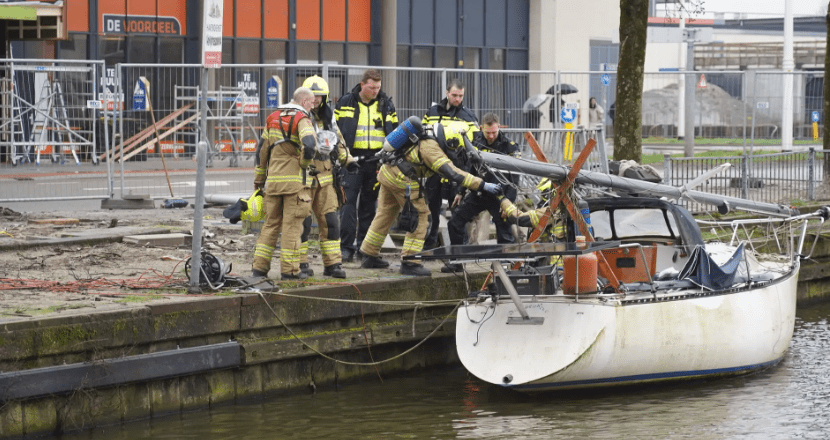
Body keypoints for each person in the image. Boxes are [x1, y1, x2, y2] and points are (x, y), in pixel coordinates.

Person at [359, 120, 501, 276]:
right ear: (450, 140)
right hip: (402, 178)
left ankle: (369, 254)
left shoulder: (428, 134)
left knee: (385, 214)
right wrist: (481, 184)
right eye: (455, 147)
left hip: (388, 173)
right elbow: (452, 172)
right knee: (420, 217)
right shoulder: (432, 148)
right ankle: (410, 261)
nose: (455, 151)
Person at [296, 75, 358, 279]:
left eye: (320, 97)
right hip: (303, 177)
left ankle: (333, 265)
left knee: (331, 222)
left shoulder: (327, 119)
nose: (316, 101)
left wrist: (348, 160)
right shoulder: (297, 116)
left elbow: (338, 141)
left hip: (325, 177)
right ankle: (301, 264)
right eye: (313, 97)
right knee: (303, 224)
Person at [252, 87, 317, 280]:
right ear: (304, 102)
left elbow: (262, 151)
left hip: (273, 183)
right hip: (295, 184)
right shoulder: (301, 119)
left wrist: (259, 179)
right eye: (312, 103)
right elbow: (310, 145)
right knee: (292, 227)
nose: (313, 107)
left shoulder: (272, 118)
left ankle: (259, 269)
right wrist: (304, 164)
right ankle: (289, 271)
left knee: (270, 225)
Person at [335, 69, 399, 263]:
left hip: (376, 161)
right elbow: (335, 130)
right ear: (362, 84)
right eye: (372, 87)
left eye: (378, 88)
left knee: (369, 206)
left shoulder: (386, 104)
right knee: (348, 204)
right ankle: (346, 248)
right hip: (352, 160)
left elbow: (395, 133)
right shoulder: (346, 102)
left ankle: (364, 248)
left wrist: (388, 158)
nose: (375, 91)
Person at [442, 113, 520, 272]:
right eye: (487, 133)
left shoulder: (509, 147)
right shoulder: (476, 144)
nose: (491, 136)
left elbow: (515, 179)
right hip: (480, 193)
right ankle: (457, 262)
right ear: (481, 128)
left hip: (500, 196)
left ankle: (504, 266)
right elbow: (469, 170)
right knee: (455, 222)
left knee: (504, 233)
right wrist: (461, 192)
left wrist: (508, 203)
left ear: (499, 127)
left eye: (494, 132)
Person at [421, 79, 480, 249]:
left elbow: (476, 145)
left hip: (457, 168)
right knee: (432, 207)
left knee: (458, 211)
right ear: (447, 93)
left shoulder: (468, 116)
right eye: (454, 95)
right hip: (434, 168)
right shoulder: (432, 112)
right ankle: (430, 243)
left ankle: (460, 248)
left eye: (460, 96)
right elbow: (423, 137)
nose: (457, 99)